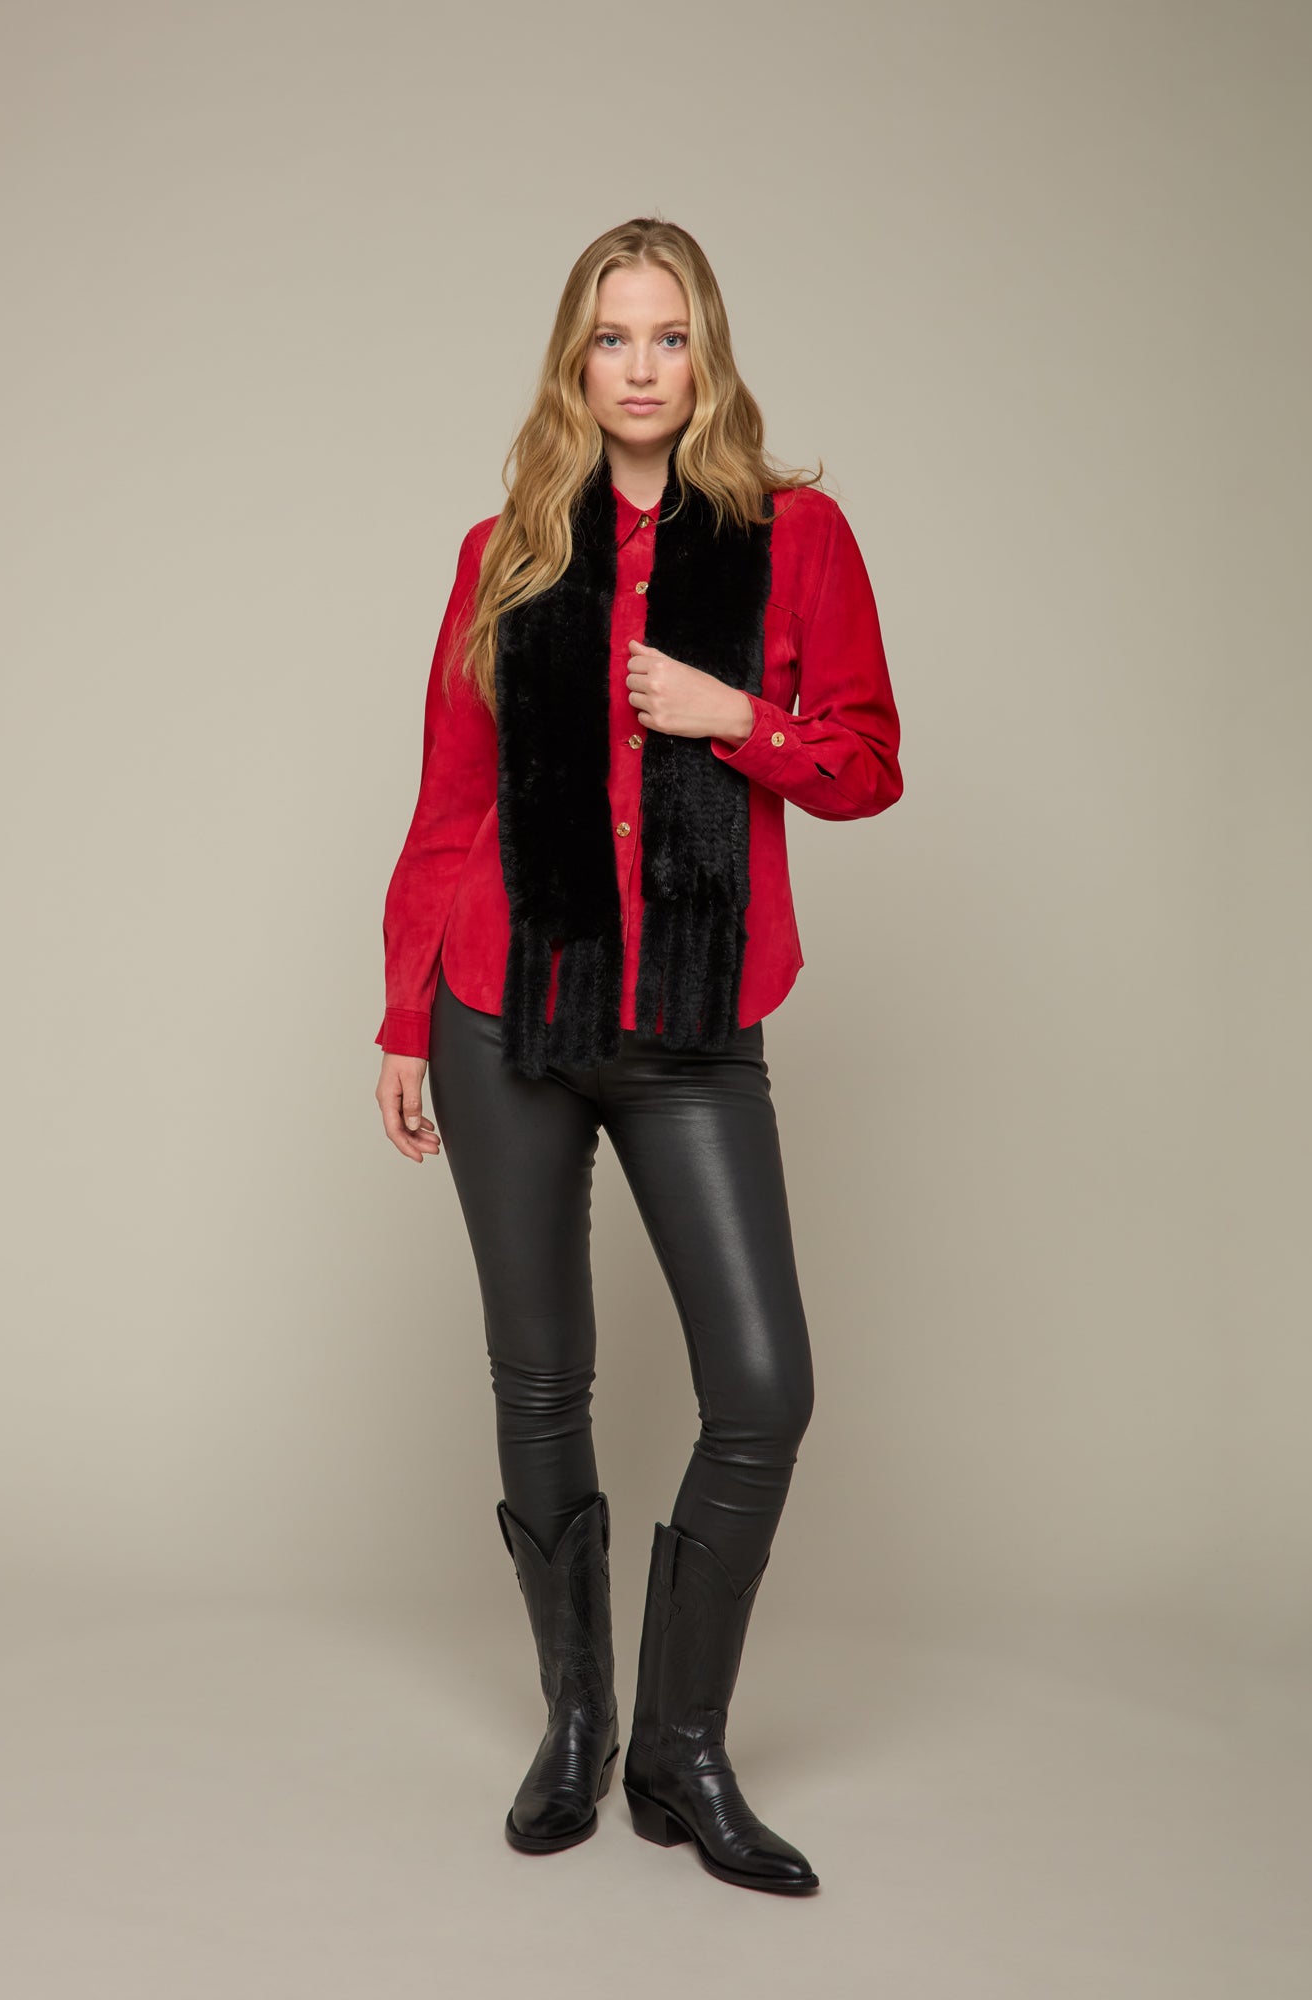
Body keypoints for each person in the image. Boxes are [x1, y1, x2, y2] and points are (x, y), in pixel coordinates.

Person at [372, 216, 903, 1896]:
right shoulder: (507, 551)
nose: (643, 367)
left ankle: (683, 1746)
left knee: (763, 1387)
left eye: (670, 337)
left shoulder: (796, 537)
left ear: (708, 353)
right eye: (614, 338)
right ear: (575, 363)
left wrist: (737, 718)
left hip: (690, 1023)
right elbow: (450, 804)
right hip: (504, 1011)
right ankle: (578, 1723)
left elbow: (869, 761)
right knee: (541, 1380)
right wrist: (403, 1018)